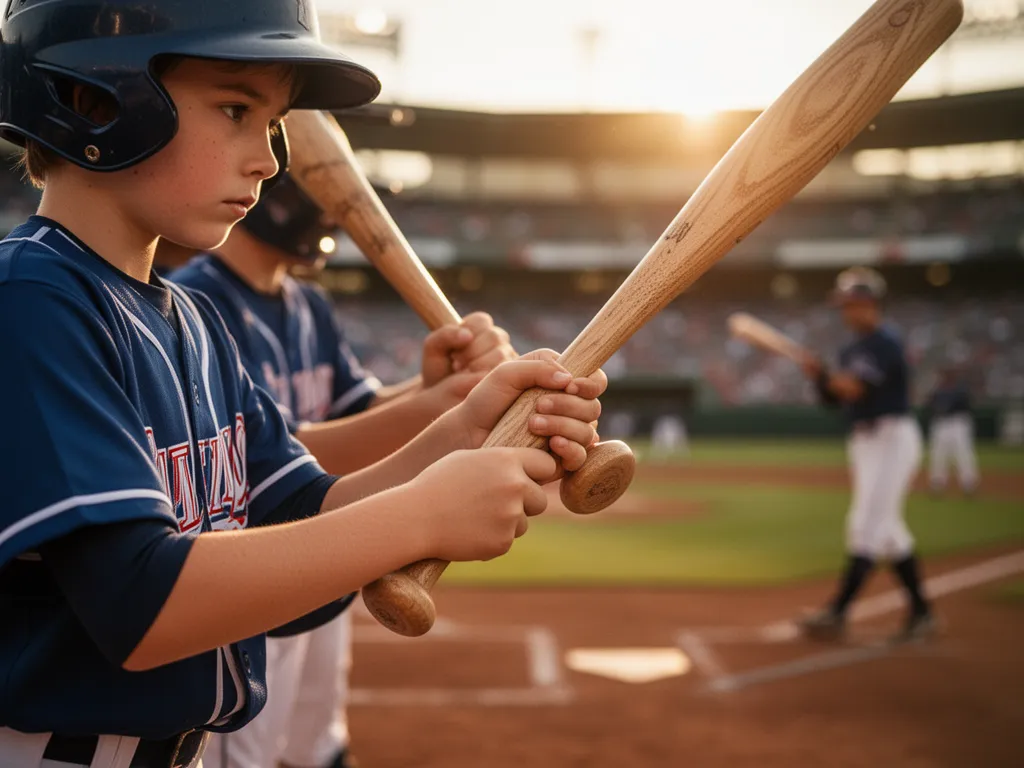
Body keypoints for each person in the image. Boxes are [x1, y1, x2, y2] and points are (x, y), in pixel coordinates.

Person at [0, 3, 605, 767]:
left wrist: (463, 427)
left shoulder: (192, 321)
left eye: (274, 120)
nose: (271, 159)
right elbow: (142, 605)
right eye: (236, 109)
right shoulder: (30, 299)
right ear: (93, 97)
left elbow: (299, 516)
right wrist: (420, 517)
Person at [169, 166, 517, 768]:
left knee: (317, 743)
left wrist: (434, 390)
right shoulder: (198, 299)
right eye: (326, 197)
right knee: (245, 753)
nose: (335, 212)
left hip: (327, 552)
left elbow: (360, 415)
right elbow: (271, 463)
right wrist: (441, 408)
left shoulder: (307, 302)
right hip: (252, 564)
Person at [797, 267, 935, 644]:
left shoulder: (885, 342)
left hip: (892, 436)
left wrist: (824, 373)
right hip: (864, 441)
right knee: (889, 531)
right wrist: (818, 377)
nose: (846, 311)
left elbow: (855, 389)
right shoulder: (850, 348)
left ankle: (838, 611)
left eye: (852, 304)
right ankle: (922, 612)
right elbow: (835, 397)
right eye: (844, 305)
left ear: (870, 303)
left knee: (866, 525)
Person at [925, 366, 979, 497]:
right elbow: (929, 405)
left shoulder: (961, 390)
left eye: (948, 375)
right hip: (941, 423)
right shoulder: (938, 390)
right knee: (938, 454)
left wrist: (945, 406)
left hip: (958, 423)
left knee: (963, 453)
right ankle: (937, 484)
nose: (946, 377)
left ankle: (968, 484)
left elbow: (966, 406)